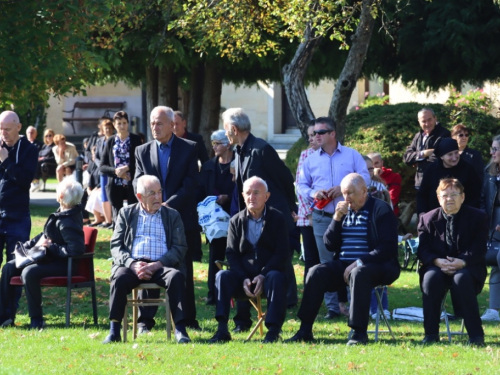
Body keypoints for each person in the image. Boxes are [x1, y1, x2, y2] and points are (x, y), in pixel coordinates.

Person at [286, 173, 400, 345]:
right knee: (316, 272)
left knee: (359, 273)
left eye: (351, 193)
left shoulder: (380, 209)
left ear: (364, 191)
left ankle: (358, 333)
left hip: (378, 265)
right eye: (344, 193)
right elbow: (329, 245)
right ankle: (305, 330)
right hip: (345, 265)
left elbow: (387, 248)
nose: (346, 198)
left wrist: (359, 262)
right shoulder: (343, 211)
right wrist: (336, 219)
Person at [223, 107, 298, 311]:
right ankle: (256, 299)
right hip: (250, 216)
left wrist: (290, 208)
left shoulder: (261, 148)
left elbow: (284, 179)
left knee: (281, 257)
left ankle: (288, 300)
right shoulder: (238, 151)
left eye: (225, 128)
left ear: (234, 128)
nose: (224, 133)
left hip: (275, 215)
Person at [102, 175, 191, 344]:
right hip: (132, 264)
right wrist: (132, 264)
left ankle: (180, 329)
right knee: (119, 278)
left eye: (159, 192)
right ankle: (114, 330)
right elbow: (116, 246)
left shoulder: (172, 215)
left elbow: (180, 247)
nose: (158, 197)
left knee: (176, 277)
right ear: (139, 197)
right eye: (152, 194)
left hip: (162, 264)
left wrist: (158, 264)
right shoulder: (126, 213)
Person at [134, 105, 200, 330]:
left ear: (172, 125)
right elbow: (138, 181)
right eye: (152, 123)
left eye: (159, 123)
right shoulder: (142, 151)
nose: (155, 127)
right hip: (150, 219)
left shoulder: (189, 149)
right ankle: (145, 321)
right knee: (148, 263)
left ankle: (187, 320)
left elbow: (191, 184)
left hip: (180, 218)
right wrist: (151, 203)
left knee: (183, 270)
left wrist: (166, 204)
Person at [297, 117, 370, 319]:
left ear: (332, 134)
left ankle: (353, 305)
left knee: (350, 259)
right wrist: (313, 193)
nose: (316, 136)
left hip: (350, 217)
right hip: (322, 217)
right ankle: (333, 308)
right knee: (326, 262)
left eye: (321, 132)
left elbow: (366, 177)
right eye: (314, 133)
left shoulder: (351, 155)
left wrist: (344, 188)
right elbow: (301, 185)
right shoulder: (310, 159)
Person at [209, 177, 288, 344]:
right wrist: (244, 278)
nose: (252, 197)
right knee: (222, 275)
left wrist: (263, 275)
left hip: (268, 279)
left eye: (256, 193)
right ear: (243, 196)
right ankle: (222, 329)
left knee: (276, 277)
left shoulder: (278, 219)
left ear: (266, 196)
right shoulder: (235, 221)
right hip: (242, 279)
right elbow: (231, 254)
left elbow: (282, 253)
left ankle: (273, 331)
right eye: (248, 193)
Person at [0, 178, 84, 329]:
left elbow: (75, 250)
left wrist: (51, 247)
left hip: (63, 265)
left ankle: (36, 319)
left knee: (29, 272)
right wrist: (26, 246)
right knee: (9, 268)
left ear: (61, 197)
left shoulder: (68, 221)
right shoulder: (62, 213)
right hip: (49, 260)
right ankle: (5, 315)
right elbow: (44, 235)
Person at [417, 178, 487, 345]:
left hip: (468, 266)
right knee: (430, 279)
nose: (449, 199)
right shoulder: (426, 219)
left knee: (461, 278)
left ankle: (476, 336)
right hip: (437, 266)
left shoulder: (478, 217)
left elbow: (479, 248)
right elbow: (423, 250)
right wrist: (437, 261)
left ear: (462, 197)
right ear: (438, 198)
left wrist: (462, 262)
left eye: (454, 194)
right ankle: (431, 335)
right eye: (445, 195)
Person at [198, 130, 235, 305]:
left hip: (234, 216)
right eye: (212, 143)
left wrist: (228, 197)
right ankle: (213, 294)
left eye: (217, 143)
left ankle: (235, 292)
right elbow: (201, 189)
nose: (214, 146)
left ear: (228, 144)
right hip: (214, 220)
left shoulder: (238, 163)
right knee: (215, 256)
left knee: (235, 255)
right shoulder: (208, 166)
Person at [0, 110, 39, 265]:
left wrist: (5, 161)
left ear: (18, 127)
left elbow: (24, 180)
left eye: (7, 129)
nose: (3, 133)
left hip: (17, 216)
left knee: (15, 265)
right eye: (0, 128)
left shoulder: (29, 150)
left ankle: (10, 291)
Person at [173, 110, 209, 262]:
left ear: (184, 124)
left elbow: (205, 162)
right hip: (175, 188)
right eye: (172, 124)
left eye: (177, 124)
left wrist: (200, 181)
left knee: (193, 222)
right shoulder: (168, 141)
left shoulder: (195, 140)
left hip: (193, 187)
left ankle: (196, 253)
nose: (174, 127)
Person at [417, 138, 480, 216]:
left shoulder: (468, 169)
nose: (454, 158)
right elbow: (422, 194)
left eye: (456, 153)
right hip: (435, 217)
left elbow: (476, 195)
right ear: (441, 157)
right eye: (450, 154)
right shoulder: (431, 169)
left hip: (463, 217)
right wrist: (422, 212)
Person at [99, 111, 142, 225]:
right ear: (114, 124)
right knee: (117, 219)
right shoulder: (110, 141)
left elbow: (140, 162)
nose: (122, 126)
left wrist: (127, 168)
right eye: (119, 123)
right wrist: (116, 171)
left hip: (131, 183)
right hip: (115, 184)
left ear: (128, 124)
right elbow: (102, 166)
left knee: (133, 217)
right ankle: (118, 242)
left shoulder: (136, 140)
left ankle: (132, 241)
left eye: (124, 123)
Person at [296, 123, 320, 283]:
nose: (310, 139)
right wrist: (310, 214)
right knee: (311, 259)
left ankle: (337, 300)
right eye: (309, 136)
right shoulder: (306, 155)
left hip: (332, 215)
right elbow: (300, 186)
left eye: (314, 135)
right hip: (308, 217)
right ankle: (309, 296)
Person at [403, 107, 451, 189]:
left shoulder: (444, 134)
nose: (427, 123)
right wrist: (424, 153)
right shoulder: (418, 136)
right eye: (423, 121)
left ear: (435, 118)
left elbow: (439, 158)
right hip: (420, 183)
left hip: (438, 183)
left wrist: (417, 160)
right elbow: (406, 158)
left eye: (429, 120)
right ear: (419, 122)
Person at [480, 135, 500, 322]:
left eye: (496, 149)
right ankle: (494, 309)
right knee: (496, 263)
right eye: (492, 148)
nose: (492, 153)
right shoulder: (489, 173)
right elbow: (482, 200)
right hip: (493, 225)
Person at [30, 128, 56, 193]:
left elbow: (54, 158)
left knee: (36, 163)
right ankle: (34, 182)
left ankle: (36, 182)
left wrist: (43, 159)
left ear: (53, 136)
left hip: (49, 165)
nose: (48, 137)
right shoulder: (44, 146)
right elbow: (39, 155)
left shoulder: (54, 146)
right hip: (40, 163)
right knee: (31, 162)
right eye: (46, 136)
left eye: (50, 135)